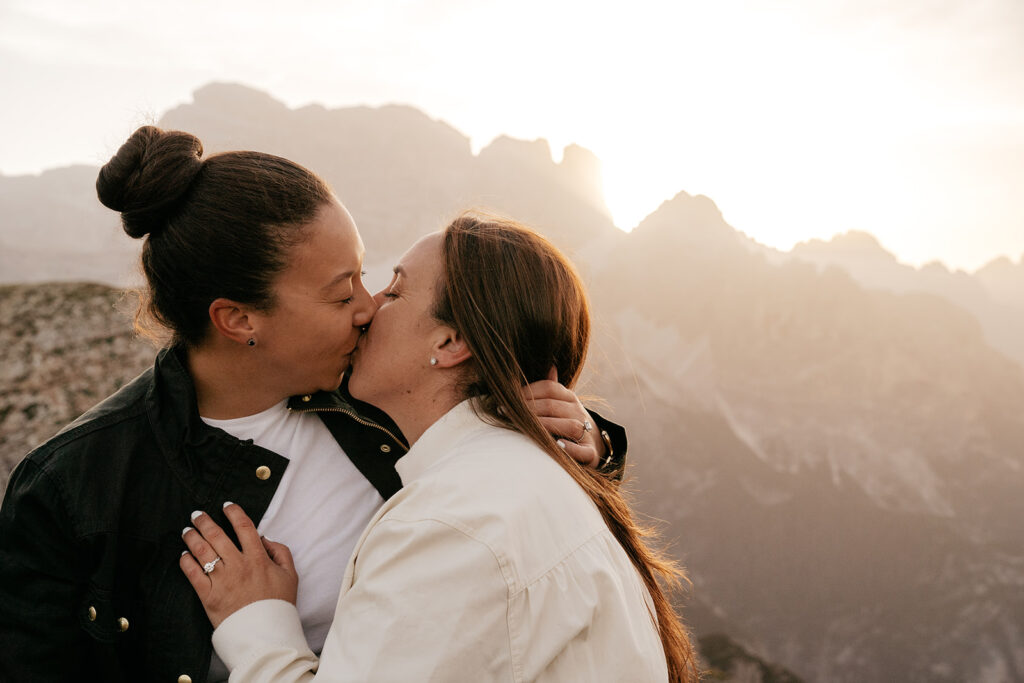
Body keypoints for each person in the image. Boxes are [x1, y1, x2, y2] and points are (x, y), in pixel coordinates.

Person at [0, 127, 627, 683]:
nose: (368, 307)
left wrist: (588, 442)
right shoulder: (71, 487)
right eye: (341, 293)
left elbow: (490, 471)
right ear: (239, 319)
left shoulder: (376, 394)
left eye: (365, 275)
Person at [180, 214, 700, 682]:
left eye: (395, 292)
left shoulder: (451, 526)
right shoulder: (518, 477)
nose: (368, 308)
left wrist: (255, 624)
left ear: (450, 343)